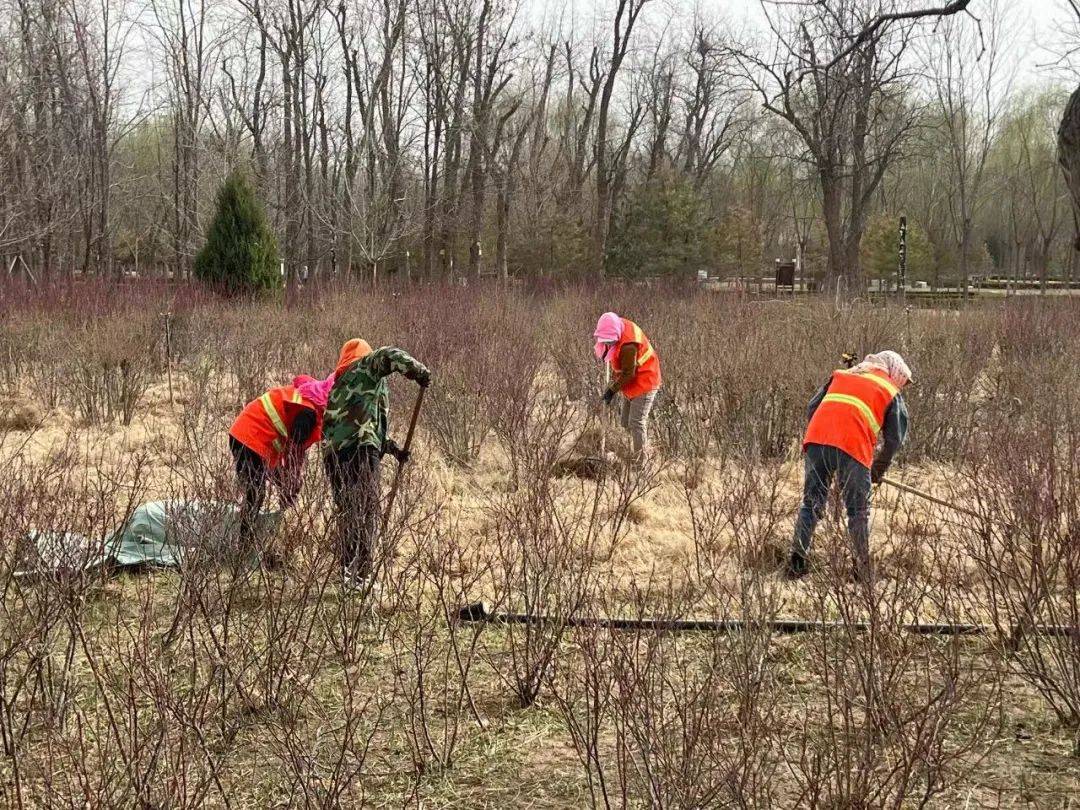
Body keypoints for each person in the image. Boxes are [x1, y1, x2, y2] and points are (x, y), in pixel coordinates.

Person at [787, 350, 912, 582]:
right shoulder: (889, 390)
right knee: (858, 511)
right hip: (852, 447)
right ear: (895, 373)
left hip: (817, 440)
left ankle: (796, 563)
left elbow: (812, 408)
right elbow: (895, 439)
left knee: (811, 504)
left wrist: (825, 434)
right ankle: (862, 572)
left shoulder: (842, 376)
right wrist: (878, 469)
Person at [322, 338, 431, 589]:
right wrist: (418, 372)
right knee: (367, 510)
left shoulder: (340, 385)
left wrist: (393, 450)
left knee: (348, 511)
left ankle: (347, 573)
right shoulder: (365, 367)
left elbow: (360, 423)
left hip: (334, 456)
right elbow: (390, 354)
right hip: (360, 451)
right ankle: (361, 575)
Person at [228, 374, 333, 557]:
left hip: (253, 438)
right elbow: (295, 453)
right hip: (250, 438)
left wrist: (287, 482)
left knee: (263, 491)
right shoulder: (308, 413)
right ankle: (243, 549)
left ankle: (252, 539)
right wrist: (291, 482)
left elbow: (292, 453)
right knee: (255, 494)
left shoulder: (308, 398)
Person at [593, 312, 662, 459]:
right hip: (631, 383)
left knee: (636, 423)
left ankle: (641, 465)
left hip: (646, 380)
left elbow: (628, 373)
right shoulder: (616, 326)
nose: (608, 344)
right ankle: (638, 450)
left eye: (610, 342)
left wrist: (611, 390)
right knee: (625, 422)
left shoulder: (628, 346)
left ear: (616, 334)